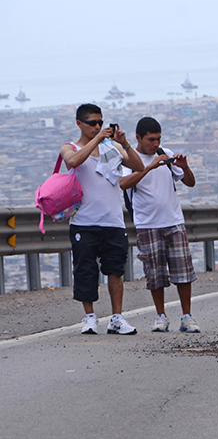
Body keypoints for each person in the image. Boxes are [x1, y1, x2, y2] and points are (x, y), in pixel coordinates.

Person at [62, 104, 145, 335]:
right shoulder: (70, 147)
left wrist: (124, 143)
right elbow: (73, 162)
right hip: (84, 222)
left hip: (113, 221)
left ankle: (116, 318)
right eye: (92, 123)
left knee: (115, 271)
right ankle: (89, 317)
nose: (98, 126)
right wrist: (97, 139)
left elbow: (138, 167)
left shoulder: (112, 148)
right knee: (85, 271)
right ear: (79, 123)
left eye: (101, 122)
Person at [119, 117, 200, 333]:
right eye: (151, 140)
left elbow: (190, 182)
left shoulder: (167, 154)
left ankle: (187, 316)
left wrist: (184, 167)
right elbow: (123, 184)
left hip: (173, 220)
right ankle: (160, 315)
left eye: (158, 139)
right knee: (155, 273)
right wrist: (149, 167)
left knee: (183, 271)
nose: (155, 144)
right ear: (139, 138)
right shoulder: (130, 159)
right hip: (147, 223)